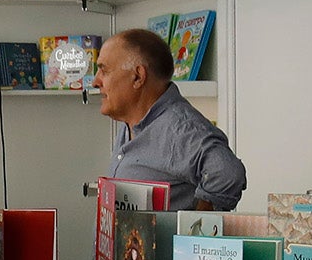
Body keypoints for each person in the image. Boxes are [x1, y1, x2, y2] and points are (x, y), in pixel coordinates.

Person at [91, 29, 247, 211]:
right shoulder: (131, 123)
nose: (95, 81)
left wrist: (194, 232)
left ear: (138, 77)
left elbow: (228, 173)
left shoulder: (181, 129)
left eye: (104, 70)